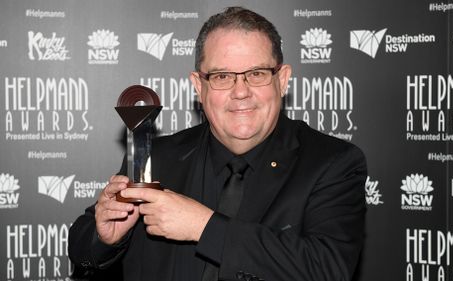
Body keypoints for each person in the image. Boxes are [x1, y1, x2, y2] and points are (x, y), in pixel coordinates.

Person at [69, 6, 367, 281]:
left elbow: (328, 268)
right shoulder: (157, 157)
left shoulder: (332, 163)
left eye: (257, 74)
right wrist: (106, 237)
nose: (241, 92)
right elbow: (82, 248)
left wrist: (204, 227)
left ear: (283, 79)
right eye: (223, 76)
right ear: (199, 86)